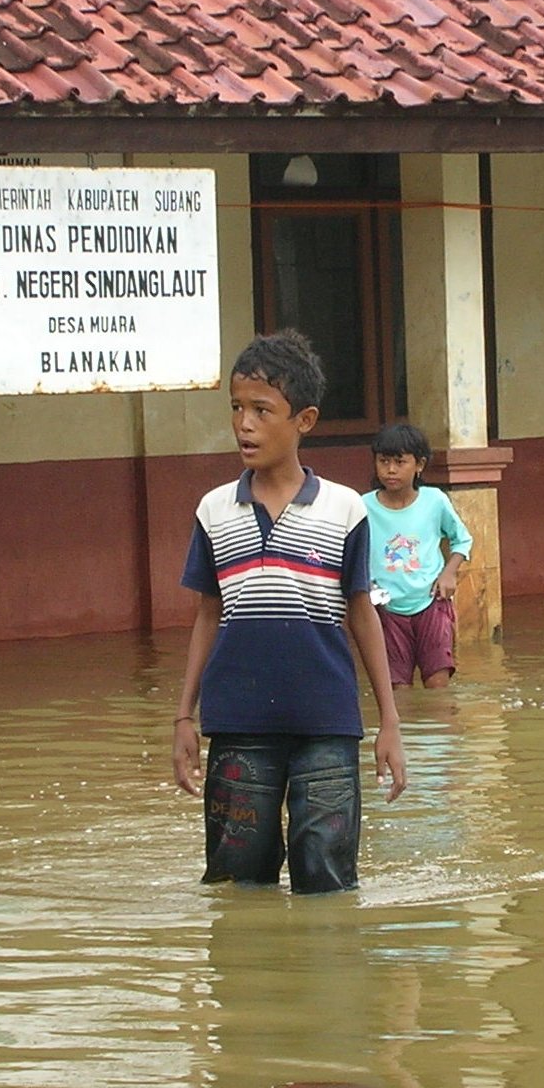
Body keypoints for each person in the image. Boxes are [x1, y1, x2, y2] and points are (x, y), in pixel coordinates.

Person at [172, 330, 408, 892]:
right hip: (238, 723)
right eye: (236, 408)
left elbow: (362, 614)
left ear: (304, 420)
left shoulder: (344, 509)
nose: (243, 424)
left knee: (326, 876)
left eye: (261, 410)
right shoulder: (214, 510)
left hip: (326, 722)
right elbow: (209, 614)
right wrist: (185, 716)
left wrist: (389, 721)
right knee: (237, 879)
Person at [363, 422, 474, 689]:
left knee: (438, 683)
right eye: (383, 461)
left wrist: (449, 573)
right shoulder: (362, 506)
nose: (390, 470)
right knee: (397, 688)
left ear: (419, 465)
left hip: (431, 603)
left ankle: (441, 730)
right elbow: (353, 554)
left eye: (400, 462)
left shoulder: (434, 501)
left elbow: (463, 540)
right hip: (387, 609)